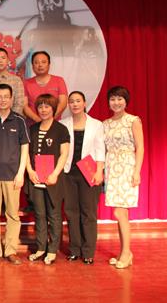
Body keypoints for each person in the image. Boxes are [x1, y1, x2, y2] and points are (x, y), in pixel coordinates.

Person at [0, 83, 29, 265]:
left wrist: (21, 173)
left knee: (12, 215)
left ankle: (11, 250)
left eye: (6, 97)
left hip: (12, 176)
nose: (2, 100)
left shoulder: (19, 121)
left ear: (12, 99)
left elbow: (24, 148)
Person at [25, 94, 70, 265]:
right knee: (39, 214)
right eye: (40, 107)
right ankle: (41, 248)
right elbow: (26, 152)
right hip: (36, 178)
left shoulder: (61, 129)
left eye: (47, 107)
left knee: (54, 215)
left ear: (53, 109)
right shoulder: (32, 129)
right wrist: (30, 171)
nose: (43, 110)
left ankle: (52, 250)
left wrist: (55, 173)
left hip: (53, 179)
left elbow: (64, 154)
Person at [103, 86, 145, 269]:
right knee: (120, 213)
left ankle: (127, 253)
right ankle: (124, 252)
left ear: (126, 101)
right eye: (113, 99)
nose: (116, 102)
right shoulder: (105, 123)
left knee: (120, 212)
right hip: (111, 168)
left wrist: (137, 171)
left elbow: (140, 147)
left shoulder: (133, 120)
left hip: (127, 167)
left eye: (120, 99)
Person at [62, 91, 105, 265]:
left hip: (89, 171)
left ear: (84, 103)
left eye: (78, 101)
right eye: (71, 101)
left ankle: (88, 252)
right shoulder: (63, 124)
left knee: (89, 213)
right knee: (71, 212)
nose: (75, 104)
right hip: (68, 173)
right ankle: (74, 249)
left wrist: (99, 171)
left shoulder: (96, 124)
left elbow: (100, 149)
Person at [23, 51, 68, 124]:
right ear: (32, 66)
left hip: (54, 124)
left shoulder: (59, 80)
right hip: (33, 125)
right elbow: (24, 106)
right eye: (36, 62)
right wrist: (38, 120)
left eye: (43, 62)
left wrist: (49, 119)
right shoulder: (26, 83)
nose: (40, 65)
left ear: (49, 64)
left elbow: (63, 103)